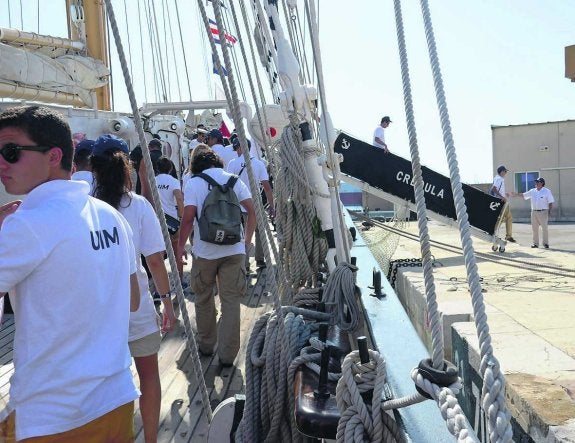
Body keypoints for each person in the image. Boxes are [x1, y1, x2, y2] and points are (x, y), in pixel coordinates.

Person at [0, 106, 140, 441]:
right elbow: (133, 300)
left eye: (11, 152)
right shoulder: (109, 215)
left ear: (54, 156)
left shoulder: (27, 225)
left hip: (53, 416)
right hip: (116, 399)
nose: (1, 163)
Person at [91, 134, 177, 443]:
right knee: (149, 376)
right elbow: (154, 260)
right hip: (138, 308)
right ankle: (150, 439)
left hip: (97, 314)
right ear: (127, 166)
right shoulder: (139, 206)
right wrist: (167, 303)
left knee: (106, 383)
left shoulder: (85, 208)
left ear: (94, 168)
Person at [177, 149, 256, 367]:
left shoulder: (193, 183)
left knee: (203, 298)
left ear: (195, 164)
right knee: (231, 301)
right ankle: (228, 356)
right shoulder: (234, 180)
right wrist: (246, 241)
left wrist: (179, 247)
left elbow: (188, 218)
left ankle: (206, 345)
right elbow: (251, 210)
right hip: (234, 250)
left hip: (205, 252)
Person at [226, 137, 274, 270]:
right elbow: (267, 187)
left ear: (241, 147)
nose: (236, 151)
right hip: (255, 204)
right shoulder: (259, 164)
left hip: (237, 205)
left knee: (242, 235)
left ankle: (245, 264)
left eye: (236, 148)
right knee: (259, 233)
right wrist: (272, 206)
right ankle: (260, 259)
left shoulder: (232, 163)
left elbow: (229, 187)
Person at [155, 156, 185, 285]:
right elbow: (179, 198)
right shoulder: (173, 181)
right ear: (171, 168)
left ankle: (158, 287)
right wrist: (182, 218)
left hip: (157, 221)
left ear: (156, 169)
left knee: (159, 255)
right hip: (172, 221)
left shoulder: (153, 180)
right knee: (177, 252)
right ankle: (180, 282)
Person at [513, 177, 555, 249]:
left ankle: (545, 243)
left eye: (538, 182)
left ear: (542, 183)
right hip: (534, 212)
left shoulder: (547, 191)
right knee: (534, 229)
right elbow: (524, 195)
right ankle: (535, 244)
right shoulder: (532, 191)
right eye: (536, 182)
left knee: (544, 229)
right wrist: (516, 194)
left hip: (543, 212)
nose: (536, 183)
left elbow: (550, 202)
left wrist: (550, 211)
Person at [491, 165, 516, 242]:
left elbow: (497, 190)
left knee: (502, 218)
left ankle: (493, 231)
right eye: (505, 171)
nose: (506, 173)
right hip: (501, 202)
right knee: (507, 217)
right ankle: (508, 236)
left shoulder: (497, 178)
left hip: (500, 201)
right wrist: (502, 197)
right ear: (501, 172)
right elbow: (494, 189)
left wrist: (505, 194)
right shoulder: (499, 179)